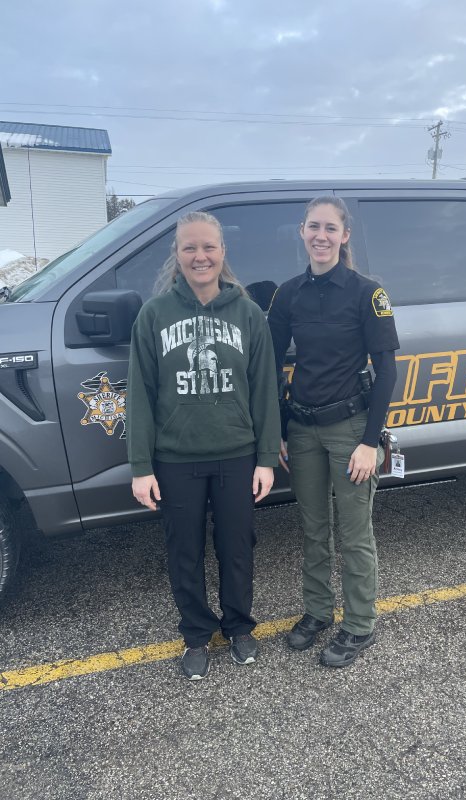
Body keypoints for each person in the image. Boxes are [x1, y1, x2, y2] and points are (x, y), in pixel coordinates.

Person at [127, 211, 280, 681]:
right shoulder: (154, 315)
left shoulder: (248, 314)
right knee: (184, 552)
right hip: (175, 459)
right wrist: (141, 466)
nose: (200, 256)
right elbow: (140, 395)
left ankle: (239, 627)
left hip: (237, 454)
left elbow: (264, 390)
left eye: (208, 247)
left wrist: (266, 459)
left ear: (222, 252)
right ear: (177, 254)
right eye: (189, 247)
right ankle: (195, 634)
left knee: (237, 548)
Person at [268, 197, 399, 668]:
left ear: (344, 236)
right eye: (313, 226)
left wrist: (369, 441)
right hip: (303, 430)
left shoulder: (367, 293)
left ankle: (360, 624)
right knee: (313, 528)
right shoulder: (288, 295)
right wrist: (279, 429)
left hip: (350, 430)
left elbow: (387, 371)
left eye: (330, 228)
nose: (320, 235)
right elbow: (269, 364)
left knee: (354, 532)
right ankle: (318, 611)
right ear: (302, 232)